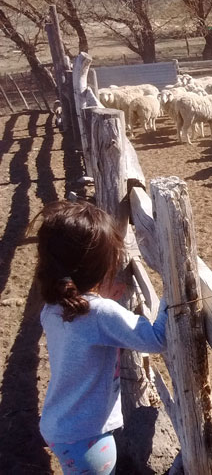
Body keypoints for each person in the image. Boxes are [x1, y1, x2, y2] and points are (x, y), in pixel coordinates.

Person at [32, 200, 168, 475]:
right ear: (100, 266)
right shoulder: (100, 313)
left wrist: (102, 297)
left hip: (59, 427)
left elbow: (85, 330)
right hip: (89, 437)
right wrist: (171, 292)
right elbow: (156, 339)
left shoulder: (54, 307)